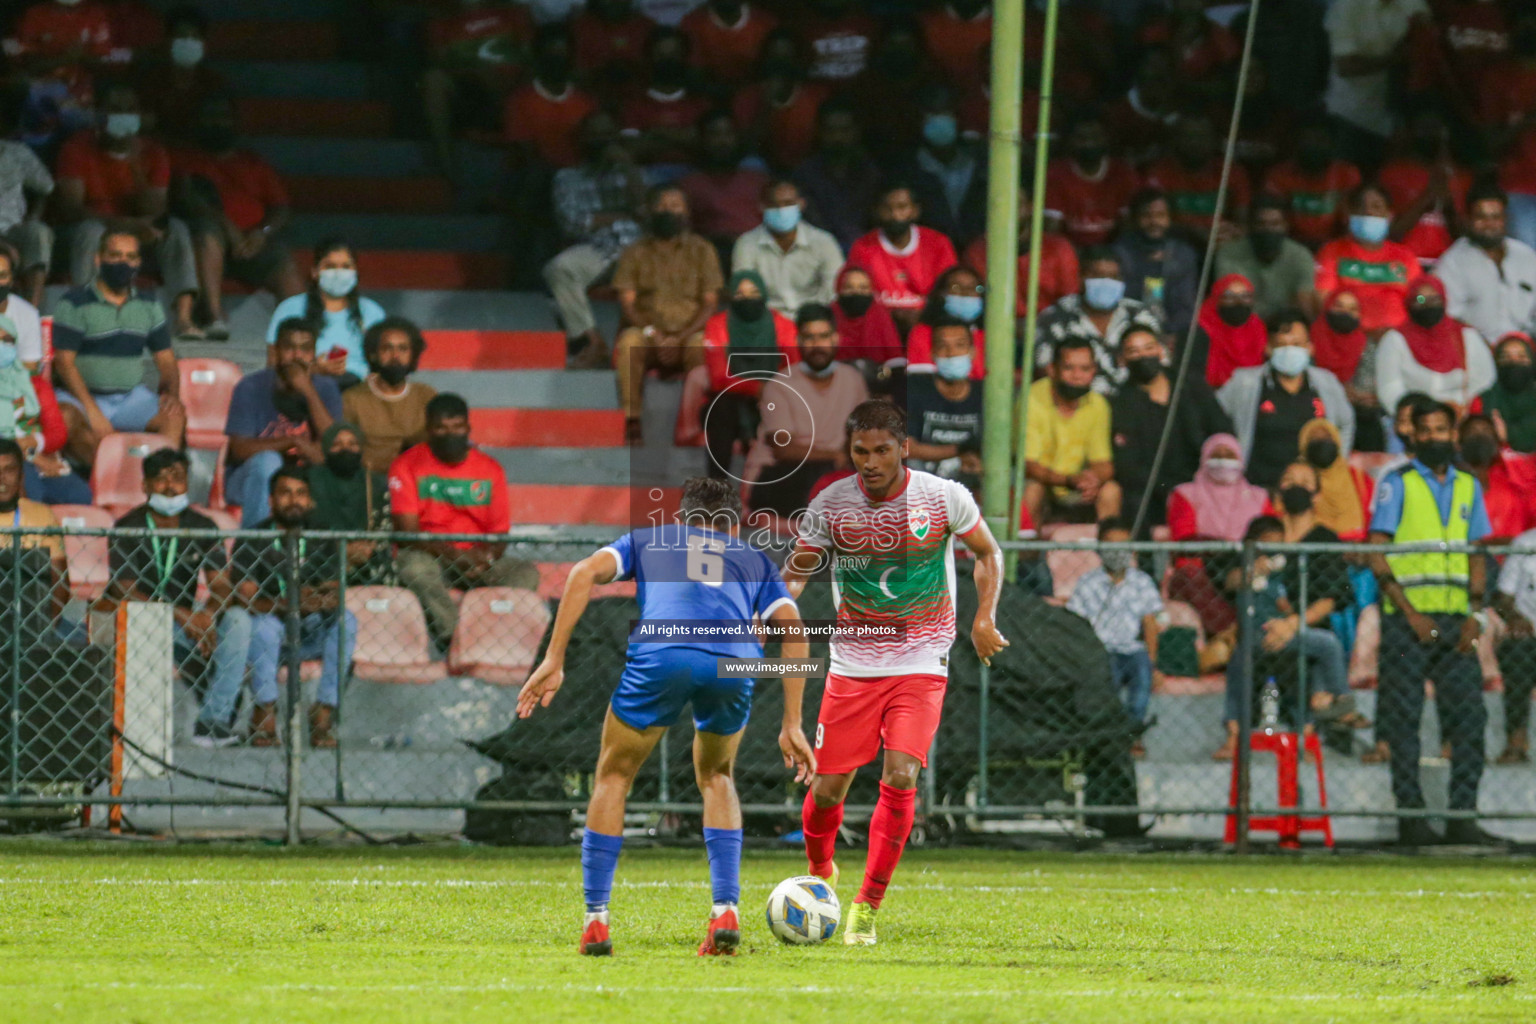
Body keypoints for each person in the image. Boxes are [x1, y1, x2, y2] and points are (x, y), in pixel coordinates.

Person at [518, 476, 813, 956]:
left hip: (663, 652)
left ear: (679, 518)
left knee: (613, 776)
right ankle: (726, 910)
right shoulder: (753, 559)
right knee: (717, 775)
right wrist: (792, 721)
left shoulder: (648, 539)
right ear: (735, 525)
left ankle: (596, 919)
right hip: (733, 663)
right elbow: (792, 628)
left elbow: (580, 574)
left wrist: (553, 659)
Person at [782, 399, 1007, 945]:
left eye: (882, 450)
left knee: (902, 775)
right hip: (852, 666)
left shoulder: (943, 496)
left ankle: (867, 906)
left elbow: (988, 552)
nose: (871, 461)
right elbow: (795, 576)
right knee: (829, 791)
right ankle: (820, 872)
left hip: (922, 662)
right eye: (861, 451)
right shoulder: (830, 505)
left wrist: (983, 616)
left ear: (903, 448)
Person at [1367, 398, 1499, 846]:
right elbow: (1377, 549)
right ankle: (1412, 820)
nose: (1435, 438)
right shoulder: (1396, 483)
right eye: (1427, 431)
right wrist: (1410, 613)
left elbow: (1478, 552)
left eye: (1443, 429)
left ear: (1453, 434)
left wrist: (1477, 613)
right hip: (1409, 622)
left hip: (1456, 621)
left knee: (1469, 719)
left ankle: (1462, 817)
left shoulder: (1467, 485)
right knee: (1404, 721)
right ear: (1413, 435)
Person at [108, 448, 252, 747]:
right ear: (145, 486)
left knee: (238, 619)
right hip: (141, 618)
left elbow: (222, 585)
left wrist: (209, 614)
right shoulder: (127, 526)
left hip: (186, 622)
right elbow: (126, 590)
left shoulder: (202, 525)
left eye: (178, 478)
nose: (171, 487)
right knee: (152, 624)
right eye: (161, 480)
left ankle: (212, 723)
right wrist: (183, 615)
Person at [389, 393, 540, 649]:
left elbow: (499, 533)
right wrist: (453, 555)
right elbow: (408, 533)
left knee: (525, 573)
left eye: (457, 427)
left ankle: (492, 635)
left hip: (476, 559)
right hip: (431, 558)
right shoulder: (406, 464)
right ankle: (455, 637)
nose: (450, 434)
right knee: (413, 568)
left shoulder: (490, 469)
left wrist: (486, 558)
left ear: (468, 428)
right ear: (428, 430)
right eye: (441, 428)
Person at [55, 81, 201, 340]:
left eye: (129, 109)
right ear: (100, 113)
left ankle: (183, 318)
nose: (123, 114)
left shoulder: (152, 151)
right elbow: (71, 209)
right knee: (90, 230)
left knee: (176, 229)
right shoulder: (76, 147)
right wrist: (124, 226)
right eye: (115, 108)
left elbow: (155, 208)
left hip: (139, 233)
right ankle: (87, 317)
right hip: (94, 232)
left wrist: (135, 164)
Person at [1214, 499, 1359, 760]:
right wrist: (1252, 567)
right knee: (1240, 661)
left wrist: (1289, 626)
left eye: (1278, 545)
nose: (1273, 552)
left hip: (1284, 633)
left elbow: (1286, 606)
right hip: (1255, 635)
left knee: (1323, 646)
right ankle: (1234, 734)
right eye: (1267, 545)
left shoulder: (1280, 577)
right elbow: (1231, 581)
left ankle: (1335, 706)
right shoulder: (1246, 569)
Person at [227, 468, 356, 748]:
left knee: (347, 620)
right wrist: (293, 601)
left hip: (311, 630)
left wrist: (311, 600)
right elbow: (247, 600)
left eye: (301, 494)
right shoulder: (251, 539)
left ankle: (323, 712)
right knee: (263, 625)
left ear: (310, 501)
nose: (294, 500)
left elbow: (334, 594)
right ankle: (265, 710)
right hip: (273, 632)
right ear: (271, 500)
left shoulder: (322, 537)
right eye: (285, 493)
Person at [170, 93, 303, 339]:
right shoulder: (187, 159)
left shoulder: (252, 162)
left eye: (223, 117)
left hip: (253, 244)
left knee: (284, 261)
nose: (218, 123)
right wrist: (229, 228)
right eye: (211, 117)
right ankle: (213, 316)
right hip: (210, 241)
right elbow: (188, 200)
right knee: (207, 233)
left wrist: (261, 234)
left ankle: (298, 332)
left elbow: (282, 209)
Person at [52, 228, 185, 467]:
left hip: (130, 398)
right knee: (66, 418)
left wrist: (172, 396)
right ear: (98, 259)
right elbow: (63, 362)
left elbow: (166, 362)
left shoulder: (149, 304)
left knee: (174, 417)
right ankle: (115, 481)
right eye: (115, 255)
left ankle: (158, 482)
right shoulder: (74, 302)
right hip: (82, 398)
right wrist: (92, 411)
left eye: (130, 257)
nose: (123, 263)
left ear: (139, 262)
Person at [611, 185, 723, 443]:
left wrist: (681, 336)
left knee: (702, 345)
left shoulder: (702, 250)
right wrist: (655, 334)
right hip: (648, 333)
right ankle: (632, 420)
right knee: (629, 342)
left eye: (675, 206)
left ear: (686, 213)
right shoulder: (635, 251)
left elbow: (710, 304)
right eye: (662, 206)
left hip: (689, 333)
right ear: (651, 211)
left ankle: (694, 422)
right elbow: (627, 304)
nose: (667, 211)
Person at [543, 111, 646, 369]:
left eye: (607, 134)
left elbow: (649, 215)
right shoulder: (568, 177)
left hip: (639, 248)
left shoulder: (634, 173)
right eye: (595, 134)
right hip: (597, 249)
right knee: (559, 268)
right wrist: (623, 214)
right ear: (583, 139)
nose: (602, 140)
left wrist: (629, 169)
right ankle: (593, 342)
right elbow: (572, 223)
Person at [1111, 327, 1233, 531]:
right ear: (1122, 359)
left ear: (1160, 350)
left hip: (1203, 482)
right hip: (1154, 493)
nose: (1143, 356)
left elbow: (1222, 432)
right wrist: (1170, 490)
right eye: (1134, 351)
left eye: (1149, 348)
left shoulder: (1191, 386)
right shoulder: (1122, 403)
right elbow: (1127, 465)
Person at [750, 303, 867, 517]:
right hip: (786, 473)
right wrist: (834, 455)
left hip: (835, 471)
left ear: (835, 339)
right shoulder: (779, 384)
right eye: (809, 337)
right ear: (798, 341)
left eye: (823, 336)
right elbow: (783, 450)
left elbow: (865, 433)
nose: (817, 345)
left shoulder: (853, 379)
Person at [1218, 309, 1354, 490]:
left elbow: (1346, 423)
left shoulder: (1326, 382)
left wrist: (1335, 462)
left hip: (1312, 492)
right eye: (1281, 345)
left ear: (1310, 347)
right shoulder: (1244, 383)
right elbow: (1215, 418)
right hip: (1257, 489)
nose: (1290, 351)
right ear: (1268, 348)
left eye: (1297, 344)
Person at [224, 319, 341, 527]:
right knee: (269, 461)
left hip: (304, 479)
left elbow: (336, 445)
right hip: (250, 479)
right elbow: (240, 450)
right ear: (276, 351)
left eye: (305, 349)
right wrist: (292, 442)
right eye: (290, 348)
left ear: (314, 353)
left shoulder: (326, 387)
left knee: (332, 469)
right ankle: (256, 549)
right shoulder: (250, 387)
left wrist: (308, 390)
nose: (297, 356)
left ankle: (321, 554)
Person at [1066, 517, 1162, 753]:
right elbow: (1076, 622)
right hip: (1101, 649)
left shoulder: (1142, 582)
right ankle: (1108, 736)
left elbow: (1150, 624)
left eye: (1123, 546)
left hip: (1131, 648)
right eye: (1111, 546)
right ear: (1099, 549)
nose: (1117, 553)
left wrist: (1152, 662)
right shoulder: (1087, 583)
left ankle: (1133, 734)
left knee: (1141, 678)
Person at [1166, 434, 1269, 651]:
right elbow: (1183, 542)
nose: (1223, 461)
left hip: (1245, 566)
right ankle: (1232, 634)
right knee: (1189, 575)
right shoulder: (1185, 494)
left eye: (1229, 455)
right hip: (1204, 571)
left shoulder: (1259, 497)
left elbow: (1269, 537)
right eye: (1216, 455)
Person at [698, 269, 798, 480]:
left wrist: (771, 391)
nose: (747, 299)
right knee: (719, 410)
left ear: (763, 293)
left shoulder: (783, 324)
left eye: (753, 293)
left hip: (777, 395)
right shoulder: (717, 324)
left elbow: (794, 369)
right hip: (732, 397)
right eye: (740, 294)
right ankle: (717, 489)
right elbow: (718, 377)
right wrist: (757, 388)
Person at [1035, 247, 1163, 394]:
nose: (1106, 283)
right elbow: (1044, 369)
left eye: (1113, 277)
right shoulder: (1055, 317)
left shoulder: (1139, 315)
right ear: (1081, 278)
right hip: (1075, 403)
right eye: (1098, 276)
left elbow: (1160, 363)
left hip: (1134, 403)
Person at [1323, 0, 1431, 169]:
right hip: (1349, 115)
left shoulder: (1416, 6)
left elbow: (1422, 57)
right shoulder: (1346, 5)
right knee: (1343, 183)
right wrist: (1397, 58)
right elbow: (1345, 66)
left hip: (1393, 120)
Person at [1024, 337, 1121, 524]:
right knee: (1033, 490)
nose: (1077, 376)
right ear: (1052, 370)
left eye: (1085, 369)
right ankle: (1024, 554)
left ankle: (1110, 552)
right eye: (1069, 368)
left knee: (1110, 490)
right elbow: (1029, 466)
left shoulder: (1098, 404)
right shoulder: (1032, 398)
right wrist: (1068, 480)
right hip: (1045, 483)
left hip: (1077, 486)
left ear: (1094, 371)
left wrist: (1091, 480)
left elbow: (1103, 464)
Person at [267, 239, 385, 387]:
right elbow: (273, 366)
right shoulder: (290, 309)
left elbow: (383, 364)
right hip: (305, 388)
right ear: (315, 272)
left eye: (346, 267)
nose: (338, 273)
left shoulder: (372, 312)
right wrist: (316, 369)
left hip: (358, 391)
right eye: (330, 266)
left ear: (355, 272)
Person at [846, 184, 958, 333]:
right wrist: (892, 317)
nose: (895, 215)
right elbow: (856, 298)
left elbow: (950, 291)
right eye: (887, 208)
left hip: (929, 326)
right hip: (879, 330)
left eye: (902, 207)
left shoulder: (937, 243)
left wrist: (925, 316)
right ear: (877, 211)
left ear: (915, 210)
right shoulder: (863, 247)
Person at [1375, 276, 1495, 415]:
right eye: (1420, 299)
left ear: (1444, 300)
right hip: (1415, 420)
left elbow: (1484, 381)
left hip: (1463, 415)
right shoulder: (1394, 339)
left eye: (1435, 299)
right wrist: (1419, 416)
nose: (1427, 304)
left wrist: (1463, 410)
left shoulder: (1466, 335)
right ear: (1409, 302)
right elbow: (1390, 388)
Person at [0, 312, 86, 506]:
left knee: (80, 495)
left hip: (37, 455)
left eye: (7, 340)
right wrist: (37, 459)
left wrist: (35, 442)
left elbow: (57, 433)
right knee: (30, 494)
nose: (2, 346)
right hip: (8, 462)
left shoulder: (36, 384)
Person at [1436, 184, 1536, 346]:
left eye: (1496, 217)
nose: (1489, 224)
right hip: (1475, 350)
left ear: (1506, 219)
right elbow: (1448, 319)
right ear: (1468, 219)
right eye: (1481, 217)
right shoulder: (1453, 262)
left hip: (1525, 349)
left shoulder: (1527, 257)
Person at [1315, 183, 1420, 336]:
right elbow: (1322, 300)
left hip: (1398, 338)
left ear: (1389, 216)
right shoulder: (1332, 252)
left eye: (1376, 207)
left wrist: (1423, 301)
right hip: (1349, 336)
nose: (1369, 212)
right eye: (1361, 208)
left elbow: (1421, 297)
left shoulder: (1405, 256)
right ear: (1348, 215)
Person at [961, 184, 1079, 319]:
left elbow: (1069, 302)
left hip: (1050, 330)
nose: (1008, 210)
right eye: (1001, 205)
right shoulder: (976, 251)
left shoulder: (1059, 248)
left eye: (1016, 204)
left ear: (1031, 207)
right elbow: (976, 299)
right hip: (996, 331)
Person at [729, 178, 842, 318]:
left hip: (815, 319)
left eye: (788, 204)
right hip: (767, 321)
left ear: (801, 204)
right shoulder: (746, 244)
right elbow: (744, 293)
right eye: (774, 205)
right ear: (762, 207)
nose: (782, 210)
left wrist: (813, 317)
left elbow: (834, 289)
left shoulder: (824, 242)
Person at [341, 317, 438, 475]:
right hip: (367, 482)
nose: (395, 356)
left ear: (413, 355)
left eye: (403, 349)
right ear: (373, 354)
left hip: (416, 481)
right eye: (387, 348)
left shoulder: (427, 396)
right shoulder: (352, 398)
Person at [895, 84, 986, 250]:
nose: (939, 120)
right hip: (929, 255)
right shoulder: (906, 170)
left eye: (945, 112)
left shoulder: (981, 163)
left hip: (979, 253)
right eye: (931, 113)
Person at [1377, 109, 1471, 266]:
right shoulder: (1393, 174)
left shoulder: (1463, 178)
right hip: (1402, 264)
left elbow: (1466, 239)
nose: (1430, 135)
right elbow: (1390, 234)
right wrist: (1428, 198)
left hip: (1448, 266)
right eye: (1424, 129)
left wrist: (1448, 205)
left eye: (1436, 130)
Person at [791, 97, 884, 252]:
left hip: (865, 251)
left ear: (856, 131)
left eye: (845, 130)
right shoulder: (806, 173)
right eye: (831, 130)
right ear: (820, 132)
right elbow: (812, 223)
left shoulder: (870, 172)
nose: (838, 137)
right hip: (820, 250)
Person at [677, 109, 770, 262]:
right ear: (702, 139)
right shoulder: (688, 185)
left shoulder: (758, 180)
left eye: (729, 134)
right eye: (715, 134)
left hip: (759, 258)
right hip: (711, 260)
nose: (723, 141)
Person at [1144, 111, 1252, 241]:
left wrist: (1230, 232)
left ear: (1214, 140)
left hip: (1222, 245)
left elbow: (1243, 221)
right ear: (1175, 140)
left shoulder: (1232, 172)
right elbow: (1152, 222)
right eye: (1188, 136)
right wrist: (1195, 233)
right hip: (1174, 245)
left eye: (1202, 136)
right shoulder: (1159, 172)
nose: (1195, 142)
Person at [1261, 116, 1363, 250]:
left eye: (1319, 140)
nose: (1313, 146)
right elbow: (1272, 221)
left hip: (1335, 247)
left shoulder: (1346, 174)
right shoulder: (1279, 174)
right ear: (1297, 142)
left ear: (1331, 144)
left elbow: (1351, 222)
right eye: (1308, 140)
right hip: (1288, 247)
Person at [1214, 195, 1319, 323]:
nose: (1268, 230)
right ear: (1250, 226)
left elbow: (1305, 304)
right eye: (1261, 224)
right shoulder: (1229, 254)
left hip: (1282, 327)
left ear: (1286, 226)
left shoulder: (1300, 255)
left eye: (1275, 224)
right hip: (1241, 324)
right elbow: (1230, 302)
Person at [1112, 188, 1199, 342]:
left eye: (1160, 215)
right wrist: (1151, 268)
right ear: (1135, 219)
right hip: (1128, 330)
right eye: (1146, 216)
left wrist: (1170, 331)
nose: (1154, 222)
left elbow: (1185, 304)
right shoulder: (1121, 251)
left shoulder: (1183, 254)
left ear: (1170, 218)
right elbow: (1123, 301)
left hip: (1173, 331)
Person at [1044, 110, 1141, 249]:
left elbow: (1129, 227)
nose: (1089, 143)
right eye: (1082, 138)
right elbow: (1051, 229)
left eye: (1095, 137)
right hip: (1071, 251)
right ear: (1070, 140)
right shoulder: (1056, 173)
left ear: (1106, 138)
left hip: (1114, 253)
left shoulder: (1122, 173)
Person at [0, 438, 70, 623]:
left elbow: (59, 580)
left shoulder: (42, 515)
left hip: (34, 619)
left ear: (21, 476)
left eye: (9, 470)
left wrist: (46, 630)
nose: (2, 478)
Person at [1309, 287, 1386, 452]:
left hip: (1358, 413)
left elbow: (1364, 391)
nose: (1345, 313)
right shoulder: (1311, 339)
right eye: (1339, 306)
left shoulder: (1366, 344)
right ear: (1328, 307)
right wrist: (1340, 390)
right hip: (1315, 409)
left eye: (1353, 309)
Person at [905, 318, 981, 480]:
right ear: (932, 354)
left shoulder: (984, 395)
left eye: (959, 345)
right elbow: (907, 448)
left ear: (973, 352)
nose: (951, 353)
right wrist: (959, 451)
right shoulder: (915, 389)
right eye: (943, 346)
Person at [0, 107, 55, 308]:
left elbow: (46, 189)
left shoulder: (17, 153)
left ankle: (31, 313)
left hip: (13, 230)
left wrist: (33, 216)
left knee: (38, 233)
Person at [1457, 413, 1536, 542]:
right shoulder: (1451, 478)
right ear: (1459, 442)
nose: (1479, 435)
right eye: (1472, 431)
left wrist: (1505, 445)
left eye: (1486, 430)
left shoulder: (1513, 472)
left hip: (1516, 554)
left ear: (1496, 439)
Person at [1493, 527, 1536, 764]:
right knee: (1518, 654)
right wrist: (1515, 618)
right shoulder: (1525, 542)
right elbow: (1504, 597)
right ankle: (1516, 743)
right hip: (1529, 635)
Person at [1297, 417, 1373, 540]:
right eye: (1314, 439)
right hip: (1314, 548)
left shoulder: (1359, 478)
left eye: (1327, 438)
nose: (1321, 442)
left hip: (1358, 548)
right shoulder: (1297, 480)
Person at [905, 265, 985, 377]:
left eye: (973, 288)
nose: (965, 293)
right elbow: (922, 382)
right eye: (956, 287)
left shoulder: (986, 336)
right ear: (942, 294)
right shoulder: (923, 333)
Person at [1192, 274, 1267, 389]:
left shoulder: (1256, 326)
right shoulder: (1200, 326)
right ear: (1216, 298)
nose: (1238, 302)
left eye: (1245, 296)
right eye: (1229, 297)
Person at [1473, 333, 1536, 453]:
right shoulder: (1483, 401)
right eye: (1506, 357)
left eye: (1522, 357)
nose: (1514, 362)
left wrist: (1509, 434)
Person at [830, 265, 902, 366]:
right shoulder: (829, 316)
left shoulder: (880, 316)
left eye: (863, 288)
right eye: (849, 287)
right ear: (839, 290)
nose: (856, 292)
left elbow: (895, 357)